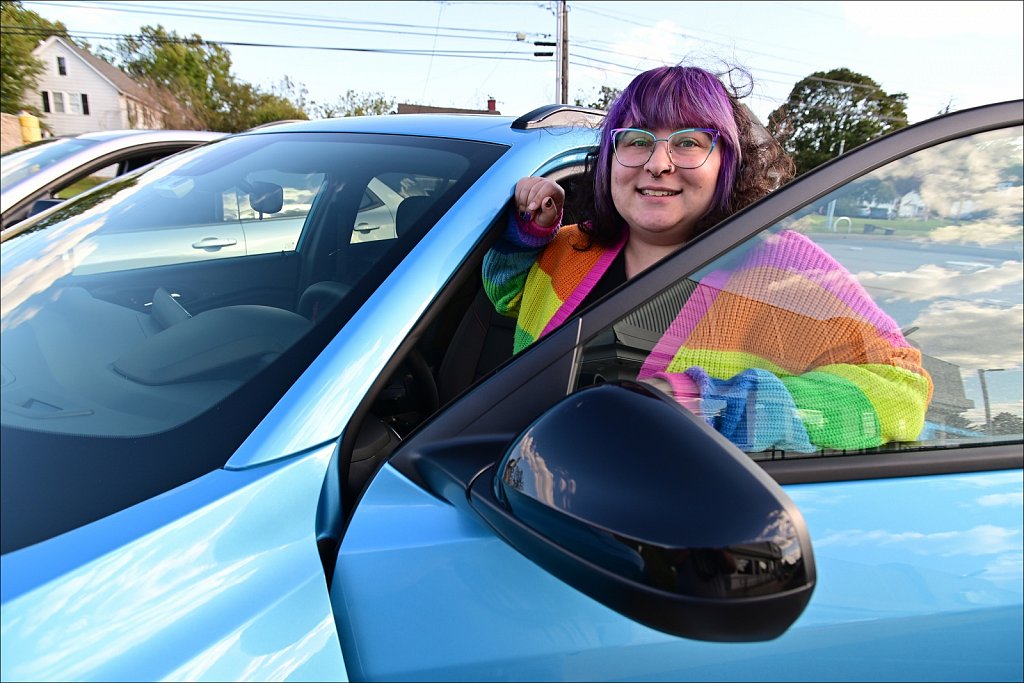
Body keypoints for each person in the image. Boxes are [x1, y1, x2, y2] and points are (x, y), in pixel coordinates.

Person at [483, 64, 932, 452]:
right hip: (530, 486)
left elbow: (903, 391)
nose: (658, 163)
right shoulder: (572, 244)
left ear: (727, 164)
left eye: (688, 142)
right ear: (610, 159)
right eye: (637, 140)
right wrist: (526, 232)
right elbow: (506, 294)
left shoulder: (786, 269)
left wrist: (718, 405)